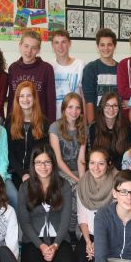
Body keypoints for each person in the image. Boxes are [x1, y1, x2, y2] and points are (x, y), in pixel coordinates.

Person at [17, 144, 76, 262]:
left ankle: (55, 253)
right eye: (38, 162)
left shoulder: (64, 185)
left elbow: (65, 219)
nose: (43, 167)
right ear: (33, 165)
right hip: (33, 238)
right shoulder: (25, 187)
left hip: (59, 236)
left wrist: (55, 245)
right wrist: (41, 246)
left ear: (53, 163)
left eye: (47, 162)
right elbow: (24, 222)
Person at [49, 92, 87, 240]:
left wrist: (82, 178)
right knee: (75, 189)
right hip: (60, 171)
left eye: (77, 108)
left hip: (77, 169)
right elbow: (58, 161)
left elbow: (81, 159)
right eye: (70, 107)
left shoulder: (83, 127)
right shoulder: (55, 127)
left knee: (86, 187)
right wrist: (76, 180)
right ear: (64, 109)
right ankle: (71, 230)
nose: (74, 111)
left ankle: (85, 227)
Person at [75, 148, 117, 262]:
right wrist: (88, 241)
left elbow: (117, 219)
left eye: (101, 163)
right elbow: (82, 217)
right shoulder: (82, 183)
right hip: (91, 232)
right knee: (80, 260)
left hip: (111, 233)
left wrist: (99, 242)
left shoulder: (117, 182)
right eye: (92, 163)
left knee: (108, 258)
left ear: (108, 164)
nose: (96, 168)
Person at [5, 82, 50, 188]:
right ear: (17, 99)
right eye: (22, 96)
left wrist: (31, 173)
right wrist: (22, 173)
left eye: (29, 95)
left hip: (36, 171)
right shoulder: (10, 120)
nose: (25, 99)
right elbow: (8, 151)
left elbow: (43, 153)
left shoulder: (44, 122)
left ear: (34, 98)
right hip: (14, 172)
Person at [7, 29, 56, 121]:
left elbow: (51, 101)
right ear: (20, 46)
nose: (29, 51)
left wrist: (50, 124)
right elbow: (11, 98)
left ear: (38, 50)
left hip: (40, 121)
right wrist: (8, 122)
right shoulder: (13, 68)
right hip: (17, 121)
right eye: (26, 46)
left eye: (33, 48)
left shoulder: (46, 69)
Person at [82, 28, 118, 123]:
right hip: (98, 122)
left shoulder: (121, 69)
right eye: (102, 45)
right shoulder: (90, 68)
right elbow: (89, 101)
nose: (106, 48)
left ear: (114, 46)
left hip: (117, 122)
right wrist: (92, 125)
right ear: (97, 47)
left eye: (109, 45)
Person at [88, 92, 131, 171]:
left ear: (119, 108)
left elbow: (125, 155)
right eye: (107, 105)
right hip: (100, 169)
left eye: (115, 106)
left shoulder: (126, 127)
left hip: (119, 170)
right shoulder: (94, 128)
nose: (111, 109)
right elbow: (94, 154)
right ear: (102, 107)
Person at [48, 29, 85, 116]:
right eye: (56, 42)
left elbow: (84, 97)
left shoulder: (80, 65)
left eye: (63, 42)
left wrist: (85, 120)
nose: (60, 46)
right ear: (52, 45)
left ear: (69, 43)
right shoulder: (49, 67)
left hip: (75, 118)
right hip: (55, 118)